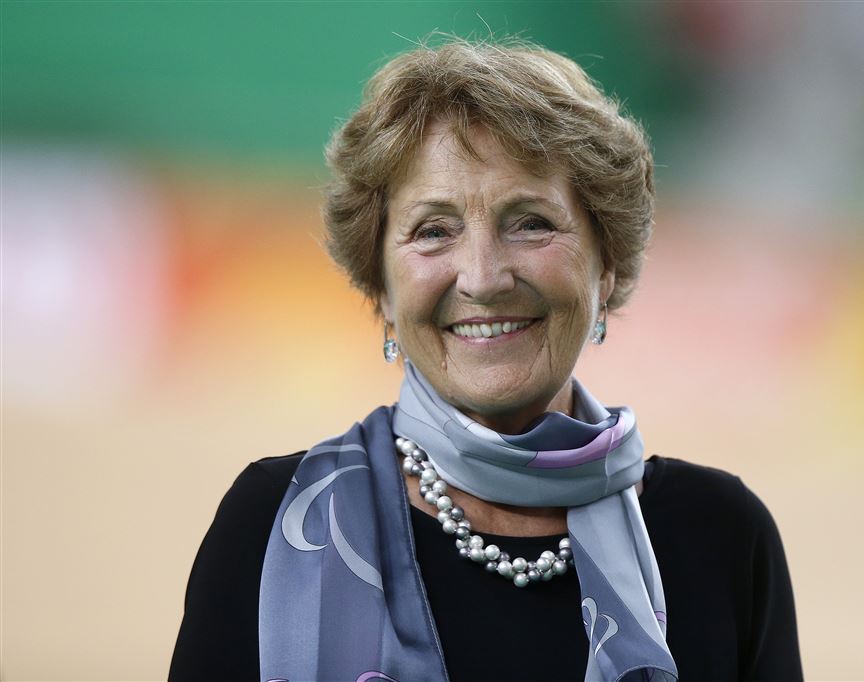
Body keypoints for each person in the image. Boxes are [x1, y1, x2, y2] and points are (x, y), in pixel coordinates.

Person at [169, 38, 802, 682]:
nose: (482, 277)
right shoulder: (270, 522)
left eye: (529, 222)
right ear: (381, 288)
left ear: (605, 265)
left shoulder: (724, 537)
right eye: (434, 230)